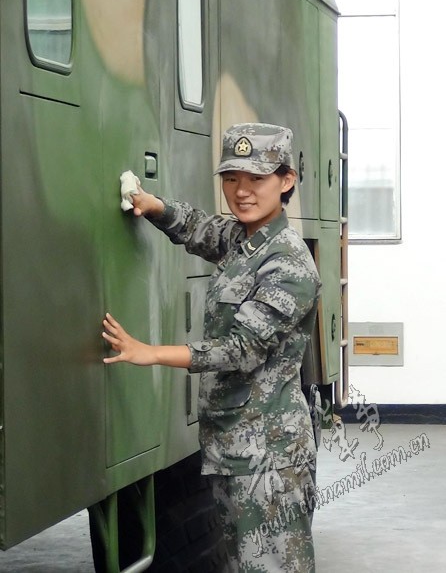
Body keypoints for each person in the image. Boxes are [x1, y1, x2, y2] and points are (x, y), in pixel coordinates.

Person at [102, 123, 321, 572]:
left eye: (256, 178)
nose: (241, 191)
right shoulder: (246, 240)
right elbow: (200, 228)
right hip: (235, 450)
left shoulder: (288, 263)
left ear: (286, 180)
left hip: (269, 460)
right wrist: (153, 205)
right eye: (231, 178)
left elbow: (241, 349)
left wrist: (151, 352)